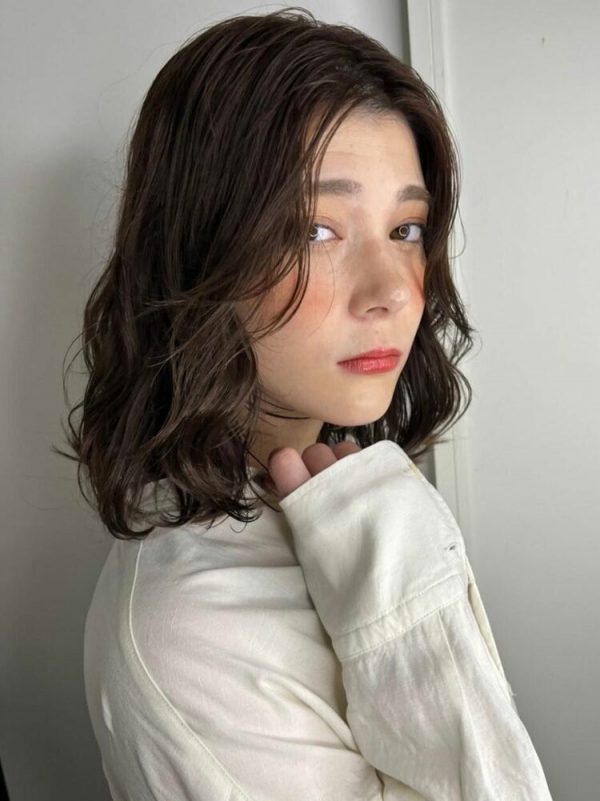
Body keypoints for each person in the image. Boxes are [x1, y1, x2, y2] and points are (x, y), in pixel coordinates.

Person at [56, 7, 554, 800]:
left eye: (407, 228)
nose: (393, 291)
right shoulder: (197, 637)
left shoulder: (344, 494)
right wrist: (410, 606)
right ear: (200, 249)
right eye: (315, 231)